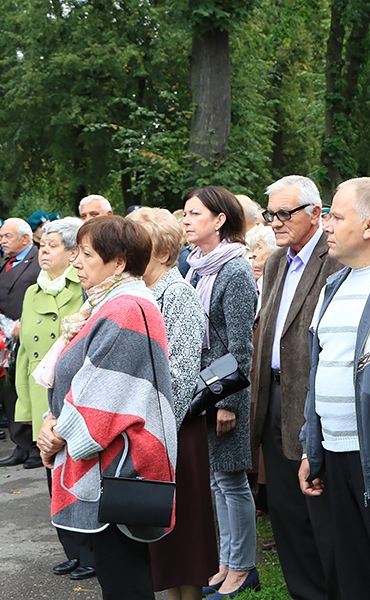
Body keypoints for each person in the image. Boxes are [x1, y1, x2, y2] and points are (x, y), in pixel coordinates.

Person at [36, 216, 176, 599]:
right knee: (119, 576)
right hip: (109, 465)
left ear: (118, 262)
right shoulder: (107, 303)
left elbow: (103, 396)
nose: (76, 262)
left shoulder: (128, 308)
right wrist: (52, 419)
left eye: (85, 254)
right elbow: (77, 379)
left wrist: (56, 434)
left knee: (125, 580)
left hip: (119, 470)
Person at [300, 177, 370, 599]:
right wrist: (312, 445)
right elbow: (319, 370)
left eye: (335, 215)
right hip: (335, 454)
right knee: (352, 575)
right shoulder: (335, 284)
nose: (326, 225)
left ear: (369, 226)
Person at [251, 175, 341, 600]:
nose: (276, 222)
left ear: (315, 215)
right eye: (271, 213)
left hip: (313, 404)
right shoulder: (274, 262)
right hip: (273, 400)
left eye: (285, 213)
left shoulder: (335, 259)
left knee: (320, 516)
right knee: (286, 514)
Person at [125, 207, 218, 600]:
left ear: (162, 252)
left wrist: (157, 433)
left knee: (183, 535)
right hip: (153, 429)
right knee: (161, 533)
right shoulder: (144, 292)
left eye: (137, 246)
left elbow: (180, 375)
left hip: (173, 431)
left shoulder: (177, 294)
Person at [182, 186, 260, 600]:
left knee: (232, 482)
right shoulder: (197, 267)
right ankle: (226, 562)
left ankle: (243, 567)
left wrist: (229, 402)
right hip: (204, 387)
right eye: (185, 214)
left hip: (226, 390)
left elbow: (241, 343)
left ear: (220, 220)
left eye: (195, 213)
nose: (187, 220)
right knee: (217, 480)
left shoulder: (234, 269)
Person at [12, 217, 95, 579]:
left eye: (52, 245)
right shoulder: (33, 290)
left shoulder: (86, 288)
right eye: (41, 245)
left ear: (73, 252)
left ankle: (92, 552)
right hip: (40, 392)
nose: (43, 251)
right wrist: (25, 406)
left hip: (73, 395)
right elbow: (25, 355)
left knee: (81, 473)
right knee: (52, 477)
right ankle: (72, 550)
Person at [0, 218, 41, 468]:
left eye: (7, 236)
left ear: (25, 238)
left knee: (29, 389)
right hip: (6, 337)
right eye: (1, 237)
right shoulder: (7, 263)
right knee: (11, 391)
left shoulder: (38, 260)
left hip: (30, 335)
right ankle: (20, 444)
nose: (2, 241)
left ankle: (35, 446)